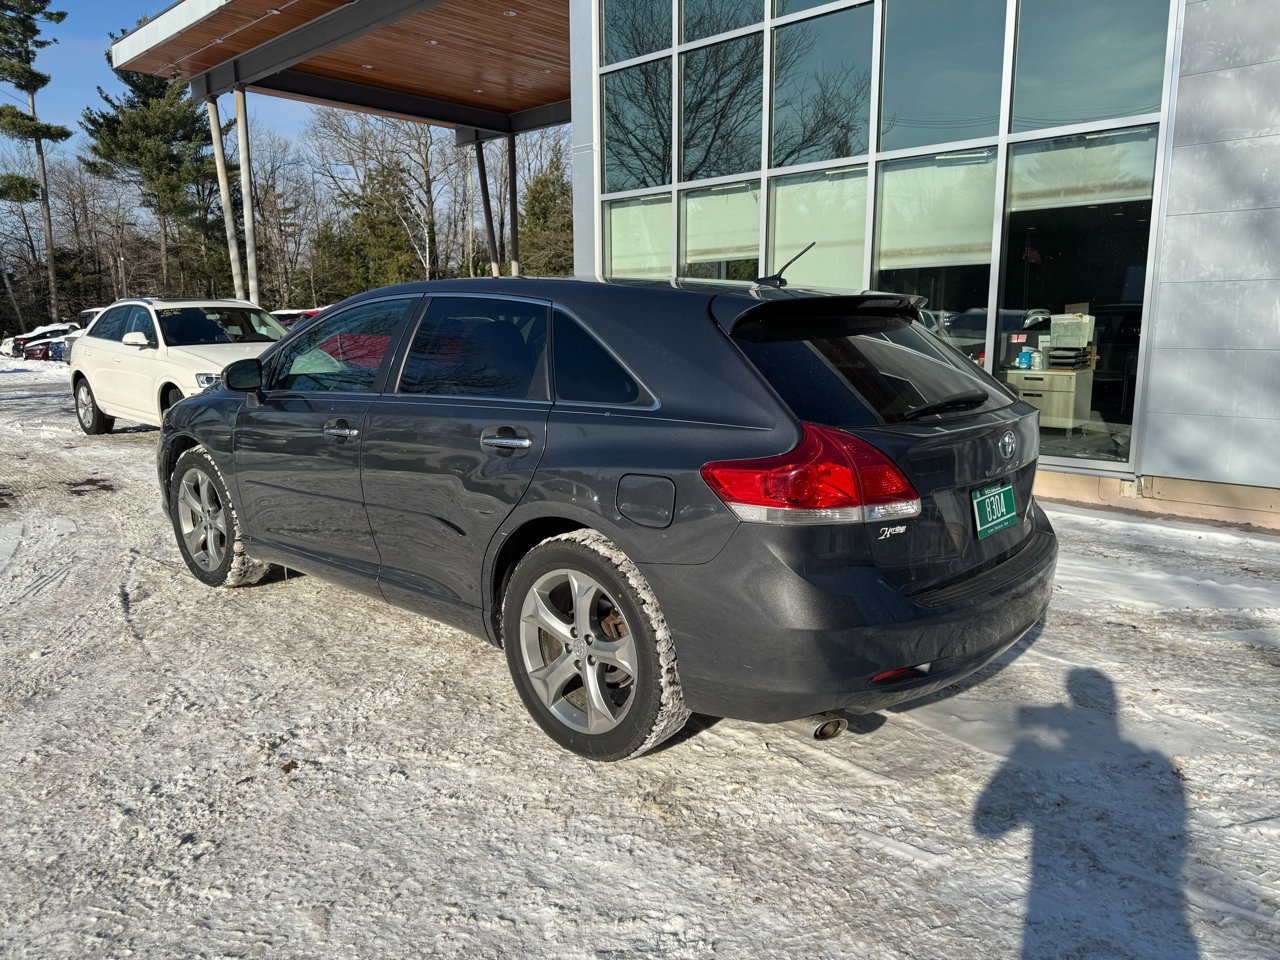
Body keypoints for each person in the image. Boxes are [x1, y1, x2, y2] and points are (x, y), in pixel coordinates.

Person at [975, 668, 1198, 960]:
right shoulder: (1156, 765)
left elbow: (985, 826)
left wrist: (1024, 747)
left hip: (1059, 892)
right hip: (1165, 915)